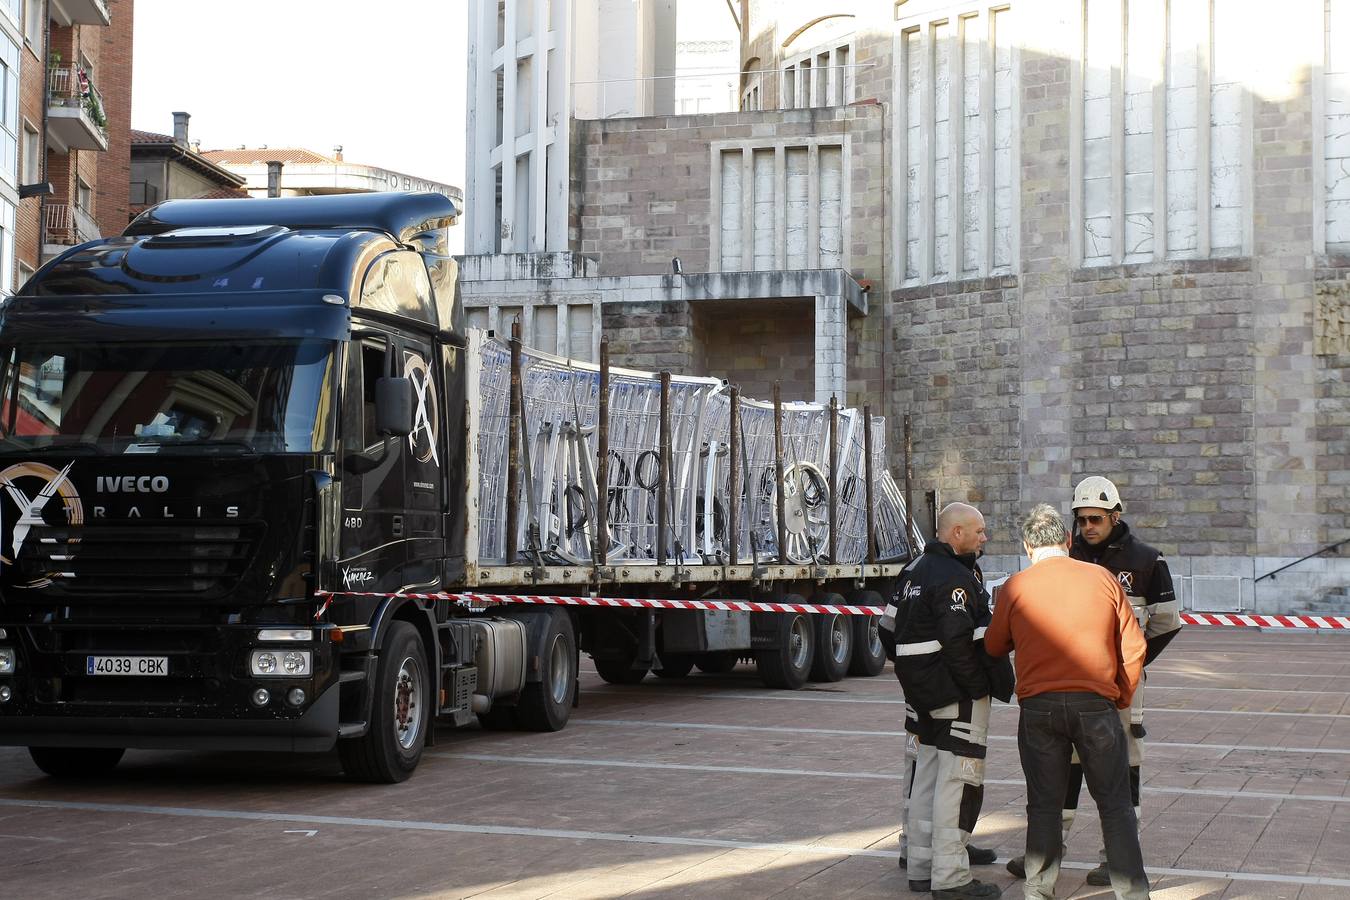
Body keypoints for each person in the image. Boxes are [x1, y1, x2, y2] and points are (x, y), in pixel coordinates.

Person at [1006, 476, 1181, 884]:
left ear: (1115, 516)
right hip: (1073, 685)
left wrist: (1127, 671)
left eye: (1096, 519)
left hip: (1123, 687)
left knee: (1125, 770)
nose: (1088, 527)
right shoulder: (1066, 555)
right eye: (1082, 520)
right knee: (1061, 770)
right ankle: (1048, 851)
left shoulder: (1147, 561)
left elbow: (1167, 622)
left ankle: (1113, 860)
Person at [985, 503, 1149, 900]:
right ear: (1069, 540)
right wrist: (1121, 696)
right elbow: (1134, 646)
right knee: (1115, 802)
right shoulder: (1102, 579)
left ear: (1027, 546)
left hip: (1039, 707)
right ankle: (1133, 893)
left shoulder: (1015, 585)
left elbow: (993, 645)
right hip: (1096, 705)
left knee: (1044, 803)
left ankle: (1038, 889)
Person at [880, 502, 1014, 898]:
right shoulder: (954, 577)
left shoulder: (913, 571)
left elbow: (887, 630)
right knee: (959, 782)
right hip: (956, 697)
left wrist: (915, 673)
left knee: (928, 777)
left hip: (921, 697)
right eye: (979, 530)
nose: (984, 537)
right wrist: (975, 688)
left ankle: (921, 867)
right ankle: (951, 878)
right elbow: (960, 642)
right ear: (956, 533)